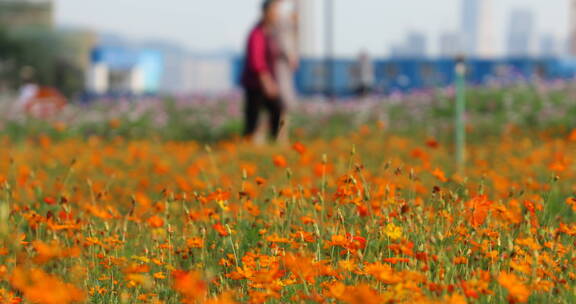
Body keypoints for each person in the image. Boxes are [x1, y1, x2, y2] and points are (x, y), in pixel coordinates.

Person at [241, 0, 284, 144]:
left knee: (276, 110)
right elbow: (256, 61)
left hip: (266, 82)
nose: (277, 14)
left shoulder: (270, 33)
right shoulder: (257, 33)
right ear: (267, 13)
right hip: (256, 84)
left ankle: (273, 141)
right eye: (275, 11)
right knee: (253, 119)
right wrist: (267, 82)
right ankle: (248, 146)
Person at [272, 0, 300, 145]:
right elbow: (283, 40)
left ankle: (282, 136)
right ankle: (281, 136)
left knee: (284, 104)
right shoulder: (279, 13)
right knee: (283, 103)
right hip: (281, 64)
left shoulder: (282, 11)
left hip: (283, 64)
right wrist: (291, 56)